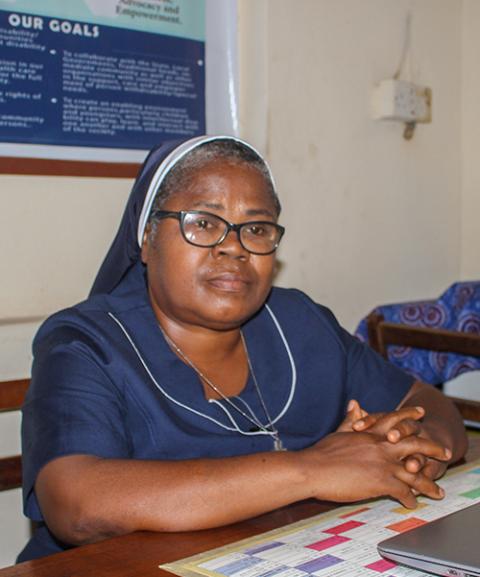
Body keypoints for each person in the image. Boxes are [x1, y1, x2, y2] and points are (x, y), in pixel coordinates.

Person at [18, 135, 467, 562]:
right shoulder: (85, 343)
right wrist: (313, 469)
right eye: (204, 223)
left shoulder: (301, 322)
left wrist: (411, 453)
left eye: (256, 228)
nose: (233, 247)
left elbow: (425, 403)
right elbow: (76, 502)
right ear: (148, 239)